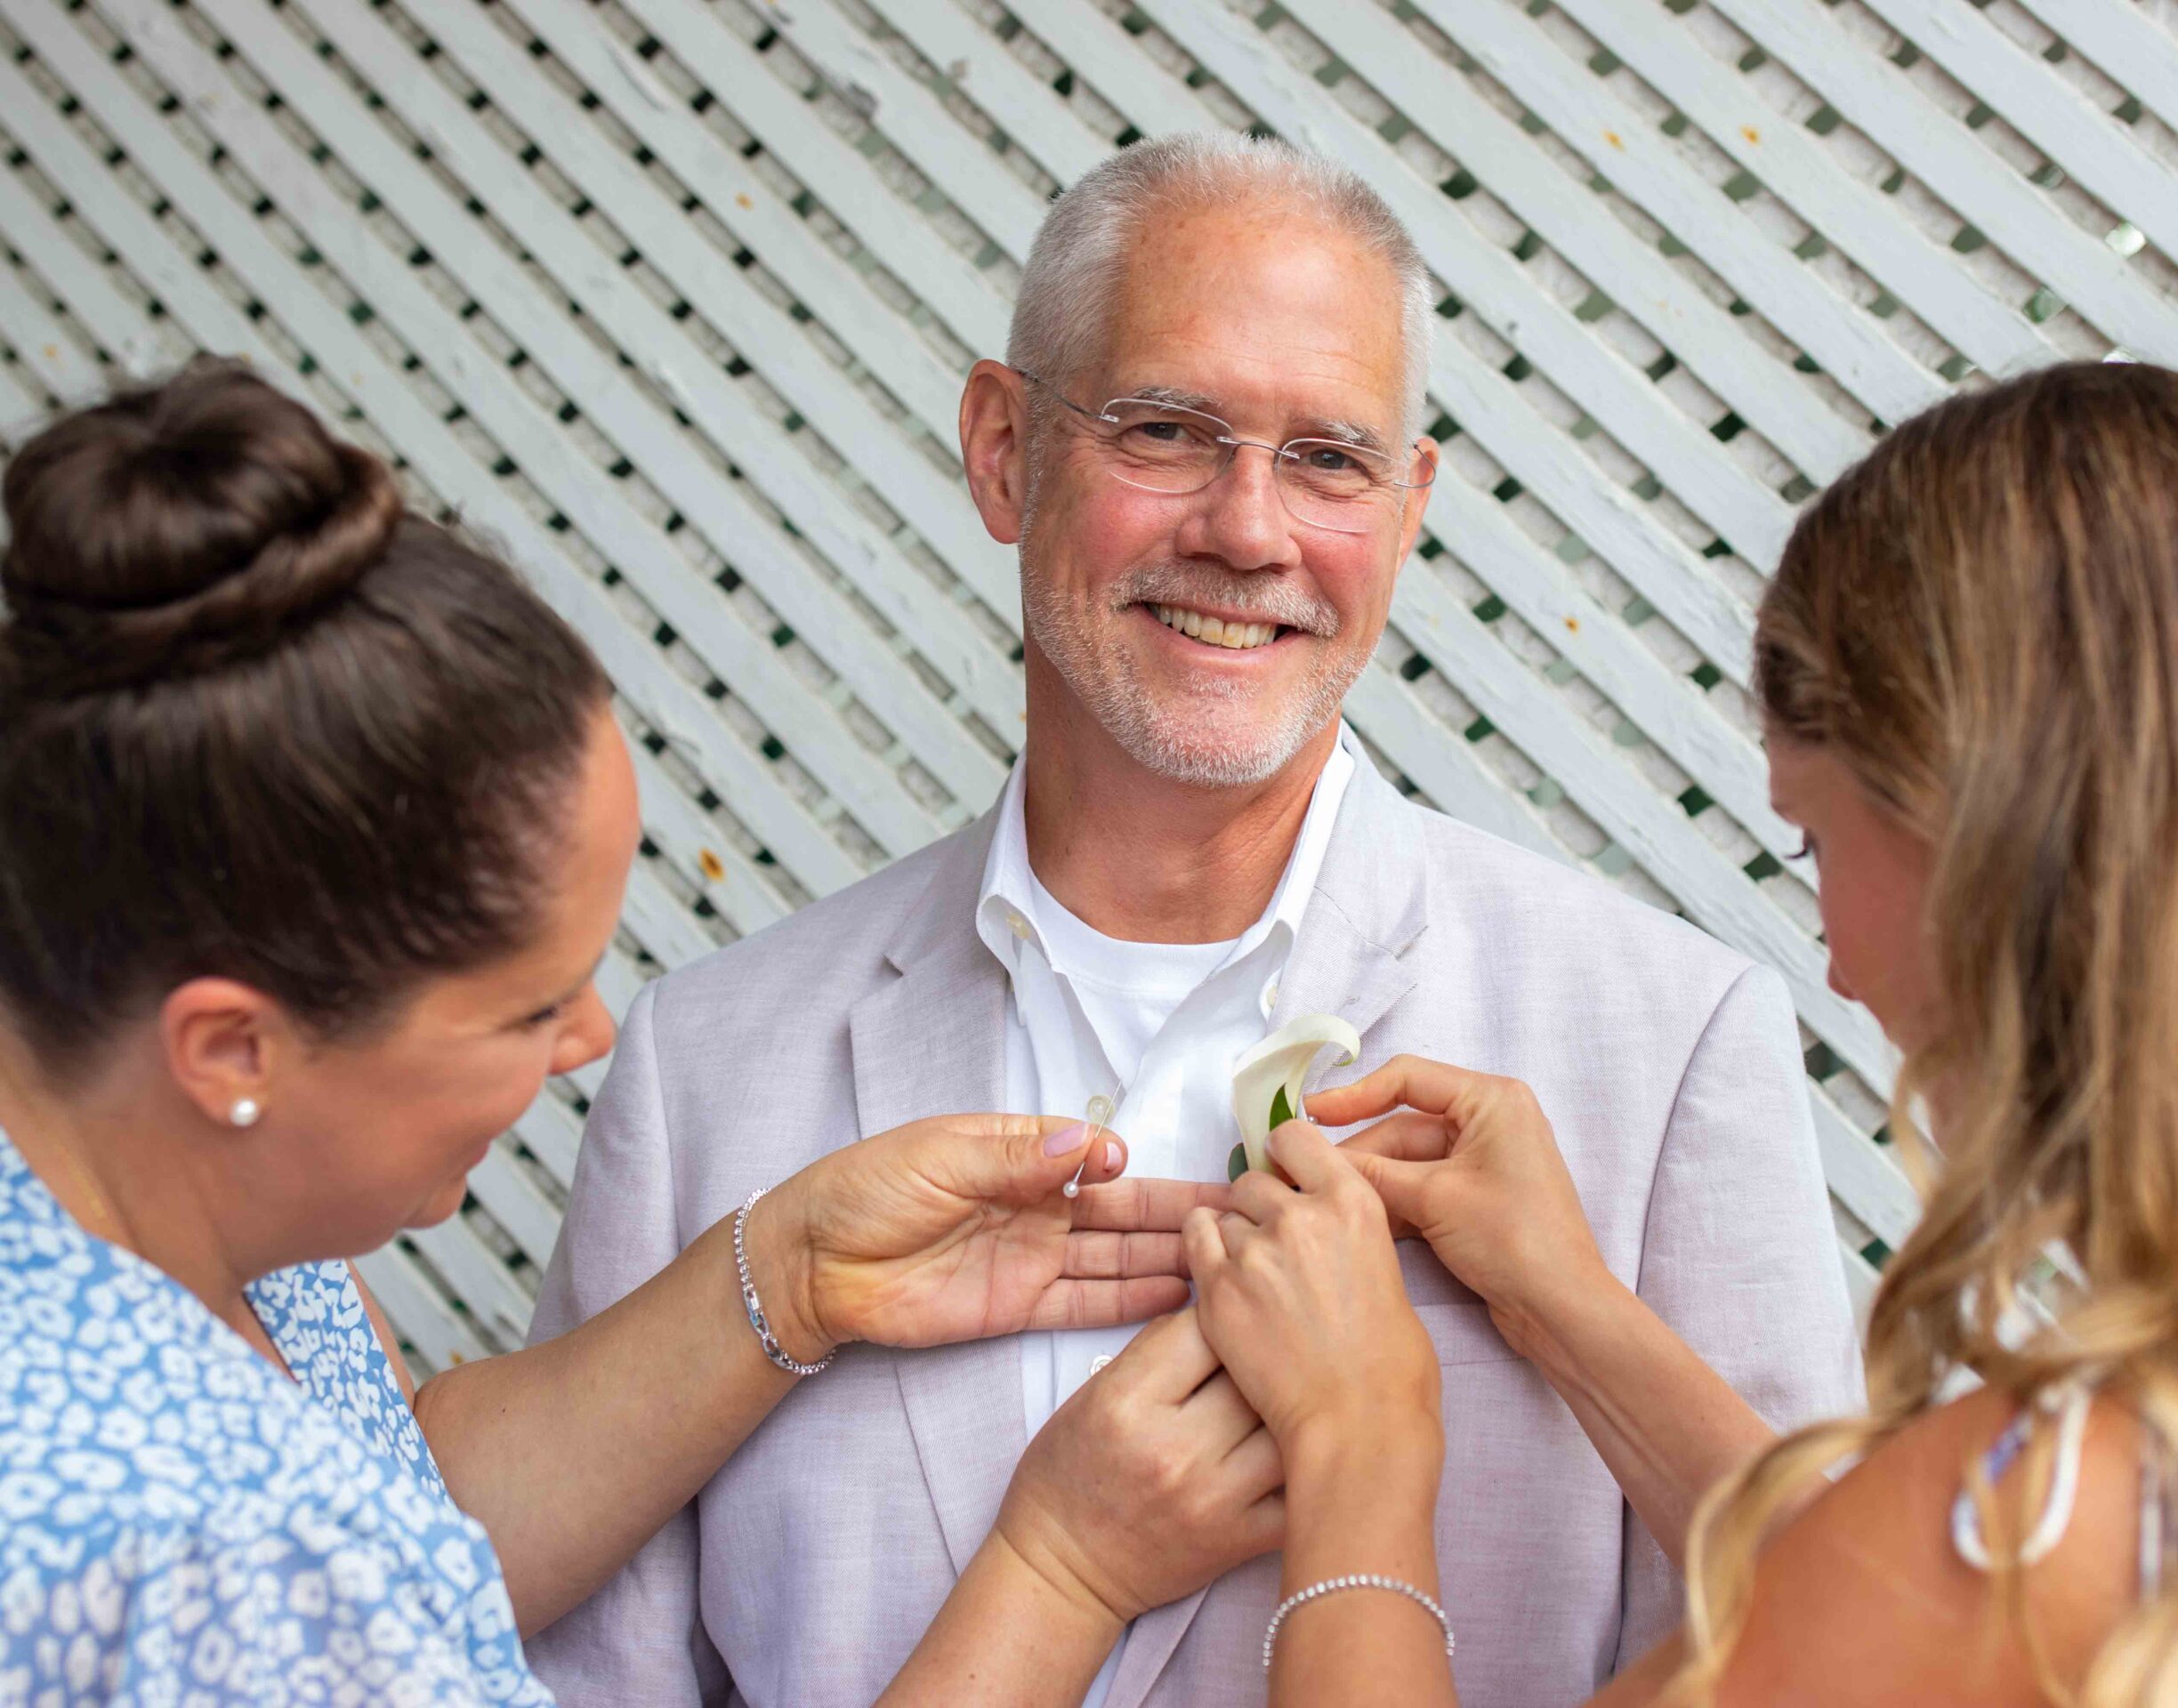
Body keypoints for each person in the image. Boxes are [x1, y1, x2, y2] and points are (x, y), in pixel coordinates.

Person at [529, 131, 1860, 1707]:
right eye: (1169, 430)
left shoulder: (1668, 1040)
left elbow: (1828, 1649)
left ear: (1410, 505)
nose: (1249, 529)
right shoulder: (706, 1070)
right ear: (1005, 449)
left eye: (1329, 460)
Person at [0, 360, 1257, 1703]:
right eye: (530, 1007)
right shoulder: (211, 1558)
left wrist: (794, 1268)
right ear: (231, 1051)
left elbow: (421, 1514)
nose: (594, 1036)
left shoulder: (189, 1221)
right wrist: (1061, 1565)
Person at [1187, 360, 2178, 1705]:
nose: (1835, 957)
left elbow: (1886, 1599)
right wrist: (1566, 1305)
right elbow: (1862, 1602)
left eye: (1817, 839)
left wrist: (1357, 1447)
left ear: (1981, 831)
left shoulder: (2042, 1521)